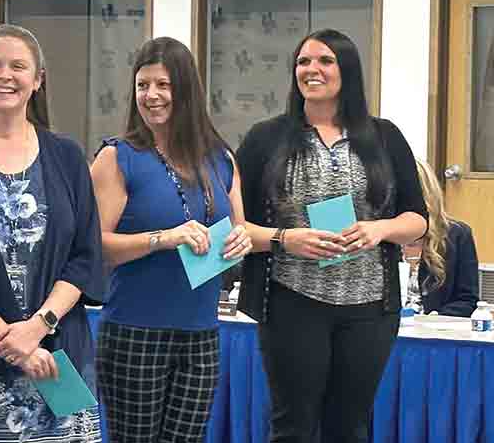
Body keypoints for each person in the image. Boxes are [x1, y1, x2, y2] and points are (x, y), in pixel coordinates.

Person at [235, 29, 428, 442]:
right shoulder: (265, 139)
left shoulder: (384, 137)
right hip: (291, 301)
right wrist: (286, 238)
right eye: (303, 62)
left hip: (371, 308)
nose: (311, 70)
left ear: (348, 72)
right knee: (293, 427)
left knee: (350, 427)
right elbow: (236, 229)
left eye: (324, 61)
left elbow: (418, 219)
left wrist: (380, 229)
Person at [91, 36, 251, 443]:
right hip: (135, 331)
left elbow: (240, 230)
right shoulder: (118, 157)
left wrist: (240, 244)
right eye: (143, 86)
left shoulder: (220, 159)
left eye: (163, 85)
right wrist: (162, 238)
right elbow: (93, 248)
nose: (151, 96)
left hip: (201, 332)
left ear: (186, 90)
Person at [0, 24, 105, 443]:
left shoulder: (67, 156)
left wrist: (38, 326)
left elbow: (86, 256)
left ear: (37, 81)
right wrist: (9, 338)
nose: (5, 75)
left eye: (18, 66)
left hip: (60, 356)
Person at [401, 159, 479, 317]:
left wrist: (435, 319)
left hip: (435, 330)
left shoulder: (457, 235)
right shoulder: (379, 236)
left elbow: (467, 300)